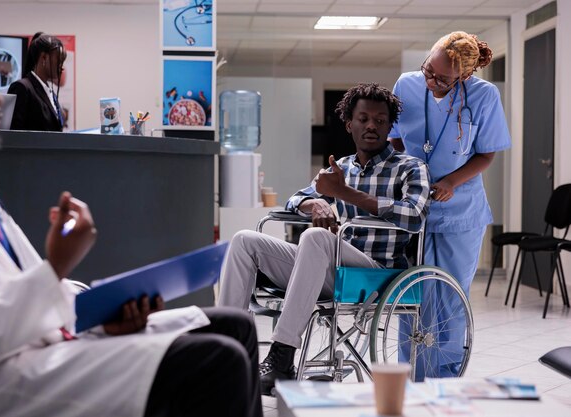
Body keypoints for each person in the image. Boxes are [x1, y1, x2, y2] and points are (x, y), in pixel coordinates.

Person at [0, 34, 262, 417]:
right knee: (217, 359)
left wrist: (100, 309)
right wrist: (54, 269)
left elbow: (18, 285)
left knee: (237, 326)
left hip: (42, 335)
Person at [218, 83, 431, 395]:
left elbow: (414, 216)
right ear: (349, 124)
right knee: (244, 240)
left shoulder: (411, 167)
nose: (371, 125)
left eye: (380, 120)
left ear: (389, 126)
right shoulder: (339, 167)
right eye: (363, 119)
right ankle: (227, 353)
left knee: (317, 237)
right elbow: (295, 199)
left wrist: (345, 194)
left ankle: (282, 357)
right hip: (331, 267)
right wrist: (315, 202)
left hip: (376, 273)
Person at [388, 31, 512, 378]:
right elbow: (395, 136)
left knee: (450, 295)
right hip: (414, 205)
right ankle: (410, 373)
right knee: (411, 293)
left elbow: (486, 153)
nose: (431, 81)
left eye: (442, 79)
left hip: (461, 208)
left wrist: (450, 182)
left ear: (464, 76)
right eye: (428, 70)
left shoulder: (484, 95)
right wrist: (409, 174)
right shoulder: (407, 84)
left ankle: (445, 376)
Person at [7, 32, 65, 131]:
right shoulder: (22, 88)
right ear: (44, 57)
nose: (62, 67)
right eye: (59, 60)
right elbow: (14, 137)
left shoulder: (50, 93)